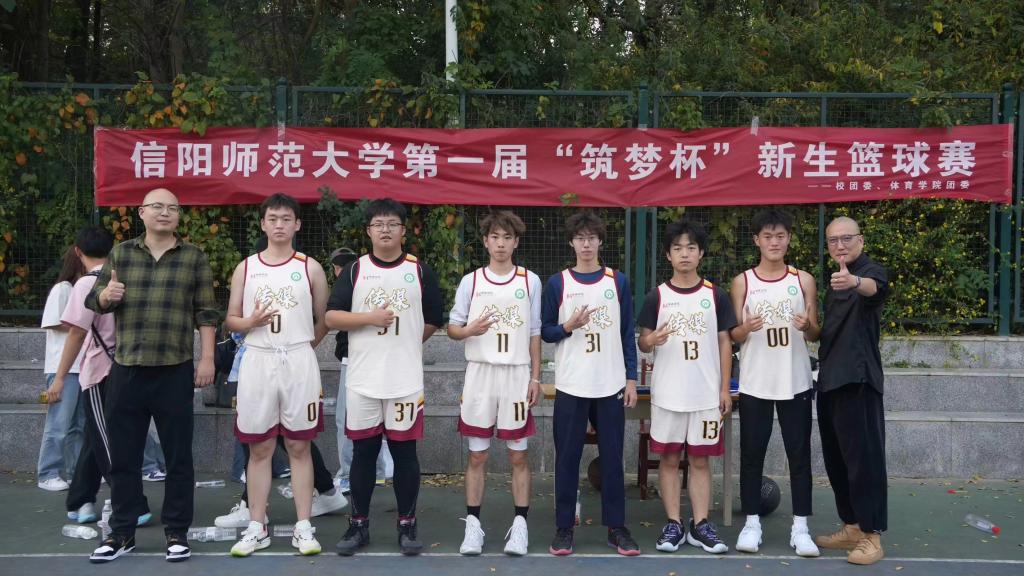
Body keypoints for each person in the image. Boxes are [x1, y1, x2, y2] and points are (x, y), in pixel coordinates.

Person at [86, 188, 219, 563]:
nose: (165, 212)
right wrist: (107, 296)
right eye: (157, 206)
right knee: (123, 458)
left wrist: (207, 359)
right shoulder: (122, 253)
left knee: (179, 458)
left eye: (172, 208)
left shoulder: (193, 257)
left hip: (174, 369)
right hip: (127, 368)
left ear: (179, 216)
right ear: (141, 212)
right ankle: (122, 533)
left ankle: (177, 531)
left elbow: (206, 312)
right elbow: (94, 300)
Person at [326, 198, 444, 556]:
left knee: (405, 452)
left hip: (404, 380)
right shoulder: (355, 270)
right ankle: (358, 523)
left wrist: (405, 344)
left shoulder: (419, 270)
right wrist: (369, 319)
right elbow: (332, 317)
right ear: (369, 231)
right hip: (363, 379)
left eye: (392, 224)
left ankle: (407, 524)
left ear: (403, 230)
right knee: (363, 453)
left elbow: (433, 319)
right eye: (378, 224)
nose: (386, 230)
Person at [224, 193, 332, 557]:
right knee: (260, 447)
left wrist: (302, 347)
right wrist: (250, 323)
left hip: (298, 360)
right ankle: (257, 525)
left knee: (299, 445)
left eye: (286, 218)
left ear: (297, 224)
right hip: (258, 359)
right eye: (273, 218)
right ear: (263, 224)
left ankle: (303, 526)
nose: (280, 224)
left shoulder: (310, 268)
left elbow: (323, 319)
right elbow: (231, 319)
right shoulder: (246, 267)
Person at [541, 211, 639, 557]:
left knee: (612, 459)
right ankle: (564, 527)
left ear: (600, 241)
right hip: (572, 384)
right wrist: (568, 326)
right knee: (567, 459)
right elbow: (546, 331)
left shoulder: (617, 282)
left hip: (609, 384)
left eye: (591, 238)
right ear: (572, 242)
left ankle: (617, 527)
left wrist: (631, 378)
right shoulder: (558, 283)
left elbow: (627, 333)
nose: (586, 244)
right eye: (580, 238)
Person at [637, 219, 736, 555]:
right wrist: (651, 339)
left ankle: (701, 524)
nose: (684, 254)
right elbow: (643, 342)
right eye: (677, 248)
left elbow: (725, 342)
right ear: (668, 254)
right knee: (668, 459)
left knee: (700, 461)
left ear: (701, 253)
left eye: (690, 247)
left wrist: (724, 389)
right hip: (668, 395)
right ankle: (674, 523)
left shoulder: (715, 295)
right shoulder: (657, 296)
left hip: (705, 395)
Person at [448, 211, 542, 556]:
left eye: (507, 237)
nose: (501, 244)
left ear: (516, 242)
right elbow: (452, 328)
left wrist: (535, 376)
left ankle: (520, 526)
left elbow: (534, 332)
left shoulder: (530, 281)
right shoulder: (471, 281)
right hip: (481, 373)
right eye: (495, 237)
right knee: (478, 455)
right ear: (486, 242)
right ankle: (473, 525)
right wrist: (468, 331)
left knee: (518, 455)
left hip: (516, 374)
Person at [728, 210, 819, 557]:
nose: (774, 242)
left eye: (780, 235)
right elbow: (733, 335)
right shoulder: (743, 281)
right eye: (767, 236)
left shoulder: (803, 280)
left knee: (799, 455)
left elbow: (815, 332)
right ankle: (752, 523)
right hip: (756, 381)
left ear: (789, 239)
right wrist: (745, 328)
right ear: (757, 240)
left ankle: (801, 527)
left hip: (795, 380)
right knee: (752, 455)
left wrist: (807, 326)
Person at [54, 227, 153, 527]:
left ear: (77, 251)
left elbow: (76, 333)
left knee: (107, 440)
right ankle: (81, 500)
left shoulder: (87, 283)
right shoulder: (124, 278)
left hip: (100, 371)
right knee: (97, 437)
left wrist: (59, 377)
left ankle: (131, 503)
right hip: (130, 367)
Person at [814, 216, 890, 566]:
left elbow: (875, 289)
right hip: (830, 380)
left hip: (858, 381)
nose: (840, 245)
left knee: (864, 462)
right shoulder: (834, 282)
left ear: (861, 240)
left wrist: (855, 281)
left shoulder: (869, 272)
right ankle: (852, 526)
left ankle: (872, 536)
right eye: (833, 240)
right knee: (837, 460)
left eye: (846, 238)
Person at [330, 247, 394, 494]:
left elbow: (332, 319)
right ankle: (374, 472)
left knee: (349, 420)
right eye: (338, 267)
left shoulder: (355, 288)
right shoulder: (359, 286)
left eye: (342, 267)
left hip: (359, 360)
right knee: (366, 421)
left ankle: (349, 474)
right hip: (365, 359)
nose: (340, 272)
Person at [37, 247, 86, 492]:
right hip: (62, 369)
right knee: (58, 424)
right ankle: (47, 473)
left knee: (79, 425)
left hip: (81, 367)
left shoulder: (82, 288)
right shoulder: (62, 289)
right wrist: (85, 324)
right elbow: (53, 322)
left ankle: (78, 472)